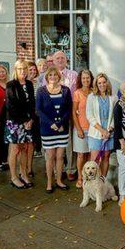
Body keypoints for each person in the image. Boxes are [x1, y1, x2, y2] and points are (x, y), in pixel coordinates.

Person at [36, 66, 72, 193]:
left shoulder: (66, 90)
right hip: (48, 129)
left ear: (59, 76)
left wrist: (61, 123)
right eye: (50, 75)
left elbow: (68, 109)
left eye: (55, 75)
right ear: (46, 77)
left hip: (62, 129)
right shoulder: (41, 91)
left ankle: (59, 181)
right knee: (50, 156)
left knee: (60, 156)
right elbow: (39, 110)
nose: (53, 77)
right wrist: (51, 123)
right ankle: (49, 183)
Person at [46, 51, 77, 181]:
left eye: (62, 58)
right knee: (55, 144)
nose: (60, 60)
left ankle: (70, 168)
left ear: (66, 60)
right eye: (57, 58)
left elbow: (76, 95)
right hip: (52, 116)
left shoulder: (74, 75)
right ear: (53, 61)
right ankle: (56, 169)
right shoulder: (47, 76)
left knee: (69, 142)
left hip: (68, 114)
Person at [5, 60, 36, 189]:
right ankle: (13, 177)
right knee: (15, 149)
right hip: (15, 122)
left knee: (24, 148)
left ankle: (23, 173)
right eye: (20, 69)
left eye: (24, 68)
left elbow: (32, 104)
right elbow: (11, 106)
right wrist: (25, 120)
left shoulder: (29, 84)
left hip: (27, 122)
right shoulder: (11, 85)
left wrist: (31, 120)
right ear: (15, 70)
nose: (22, 71)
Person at [86, 73, 117, 177]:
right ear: (96, 84)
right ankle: (92, 182)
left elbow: (114, 116)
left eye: (104, 82)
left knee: (106, 157)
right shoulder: (91, 97)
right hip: (96, 133)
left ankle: (102, 181)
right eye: (99, 83)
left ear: (107, 83)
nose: (102, 85)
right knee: (94, 160)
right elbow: (90, 116)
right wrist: (102, 131)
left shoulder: (113, 98)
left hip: (109, 133)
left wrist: (109, 130)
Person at [72, 69, 94, 189]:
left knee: (91, 155)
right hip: (81, 128)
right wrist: (78, 129)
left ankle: (89, 178)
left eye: (88, 78)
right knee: (81, 155)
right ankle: (80, 177)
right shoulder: (77, 93)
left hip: (93, 129)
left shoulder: (94, 92)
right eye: (84, 78)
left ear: (91, 79)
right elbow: (74, 113)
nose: (86, 80)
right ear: (80, 79)